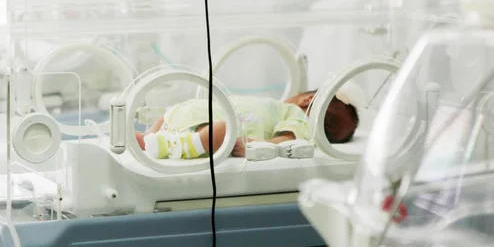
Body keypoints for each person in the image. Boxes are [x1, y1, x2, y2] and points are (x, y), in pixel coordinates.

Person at [136, 89, 359, 159]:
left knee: (222, 131)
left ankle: (157, 140)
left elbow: (286, 139)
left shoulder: (299, 117)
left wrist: (255, 143)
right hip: (210, 117)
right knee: (222, 130)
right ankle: (175, 144)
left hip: (190, 111)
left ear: (308, 99)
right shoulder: (278, 109)